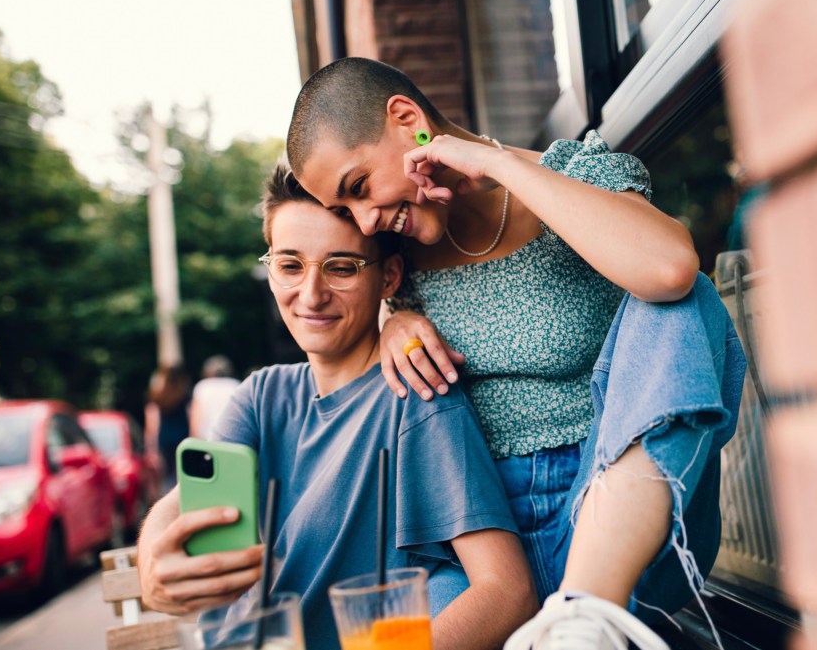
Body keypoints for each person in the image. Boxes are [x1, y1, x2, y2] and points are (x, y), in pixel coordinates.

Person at [286, 58, 745, 650]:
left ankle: (585, 615)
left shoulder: (580, 172)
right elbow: (324, 347)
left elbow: (670, 268)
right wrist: (389, 323)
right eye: (346, 211)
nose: (366, 219)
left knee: (683, 298)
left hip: (616, 528)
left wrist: (498, 163)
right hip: (483, 563)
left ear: (407, 120)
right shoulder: (396, 263)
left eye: (359, 187)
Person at [135, 164, 538, 650]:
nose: (311, 294)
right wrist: (151, 565)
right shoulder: (261, 396)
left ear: (389, 277)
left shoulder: (417, 390)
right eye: (289, 265)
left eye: (341, 267)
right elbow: (179, 505)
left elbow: (508, 592)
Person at [144, 364, 192, 491]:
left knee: (164, 482)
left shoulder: (158, 397)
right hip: (182, 441)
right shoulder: (184, 396)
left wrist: (151, 449)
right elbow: (192, 418)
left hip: (164, 442)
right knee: (181, 480)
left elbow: (152, 426)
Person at [189, 354, 241, 440]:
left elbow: (195, 420)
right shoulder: (235, 384)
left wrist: (194, 440)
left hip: (208, 440)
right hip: (232, 439)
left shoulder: (202, 387)